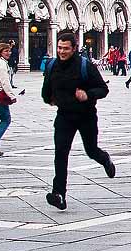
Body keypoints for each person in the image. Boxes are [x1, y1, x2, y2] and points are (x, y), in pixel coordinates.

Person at [41, 32, 115, 210]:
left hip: (86, 115)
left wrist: (87, 94)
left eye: (66, 48)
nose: (62, 52)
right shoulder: (52, 66)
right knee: (60, 153)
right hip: (64, 116)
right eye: (59, 48)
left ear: (74, 48)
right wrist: (49, 99)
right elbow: (46, 90)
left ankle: (105, 159)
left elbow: (103, 89)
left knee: (91, 150)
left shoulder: (85, 66)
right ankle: (59, 194)